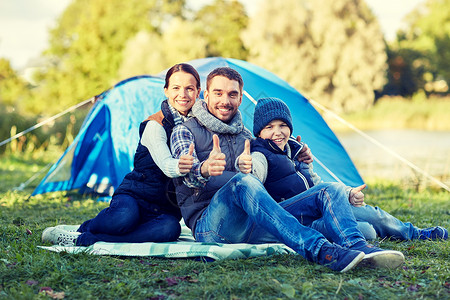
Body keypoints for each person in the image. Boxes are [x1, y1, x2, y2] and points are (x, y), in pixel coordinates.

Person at [171, 67, 405, 272]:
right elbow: (184, 171)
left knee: (329, 189)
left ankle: (357, 247)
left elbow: (266, 168)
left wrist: (296, 157)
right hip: (212, 226)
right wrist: (203, 169)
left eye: (232, 94)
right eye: (218, 93)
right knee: (243, 183)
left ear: (241, 98)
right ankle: (321, 251)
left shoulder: (246, 137)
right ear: (206, 94)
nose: (225, 100)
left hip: (252, 222)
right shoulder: (185, 130)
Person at [240, 97, 448, 242]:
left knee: (372, 214)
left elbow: (318, 185)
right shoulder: (260, 154)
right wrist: (247, 167)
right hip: (298, 220)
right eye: (269, 127)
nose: (277, 132)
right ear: (259, 133)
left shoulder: (296, 151)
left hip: (321, 208)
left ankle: (417, 233)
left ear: (290, 128)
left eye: (282, 125)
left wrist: (347, 194)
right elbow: (254, 173)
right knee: (367, 232)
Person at [42, 63, 200, 246]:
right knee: (123, 218)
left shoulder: (199, 127)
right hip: (135, 197)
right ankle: (83, 230)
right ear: (166, 91)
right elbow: (166, 164)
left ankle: (91, 238)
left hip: (164, 208)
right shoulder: (155, 125)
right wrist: (181, 165)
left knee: (170, 229)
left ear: (198, 91)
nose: (183, 94)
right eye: (176, 88)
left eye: (189, 88)